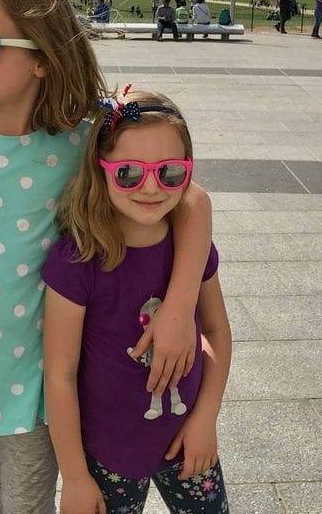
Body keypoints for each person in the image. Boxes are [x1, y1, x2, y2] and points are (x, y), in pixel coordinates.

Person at [0, 0, 213, 514]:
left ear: (42, 57)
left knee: (27, 504)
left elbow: (193, 203)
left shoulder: (84, 139)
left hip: (40, 380)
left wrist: (178, 308)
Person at [43, 89, 232, 514]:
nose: (150, 187)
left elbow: (217, 331)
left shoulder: (193, 250)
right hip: (108, 459)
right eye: (128, 173)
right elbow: (59, 374)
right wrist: (74, 476)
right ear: (101, 169)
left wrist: (206, 419)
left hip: (190, 444)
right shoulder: (78, 261)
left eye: (170, 172)